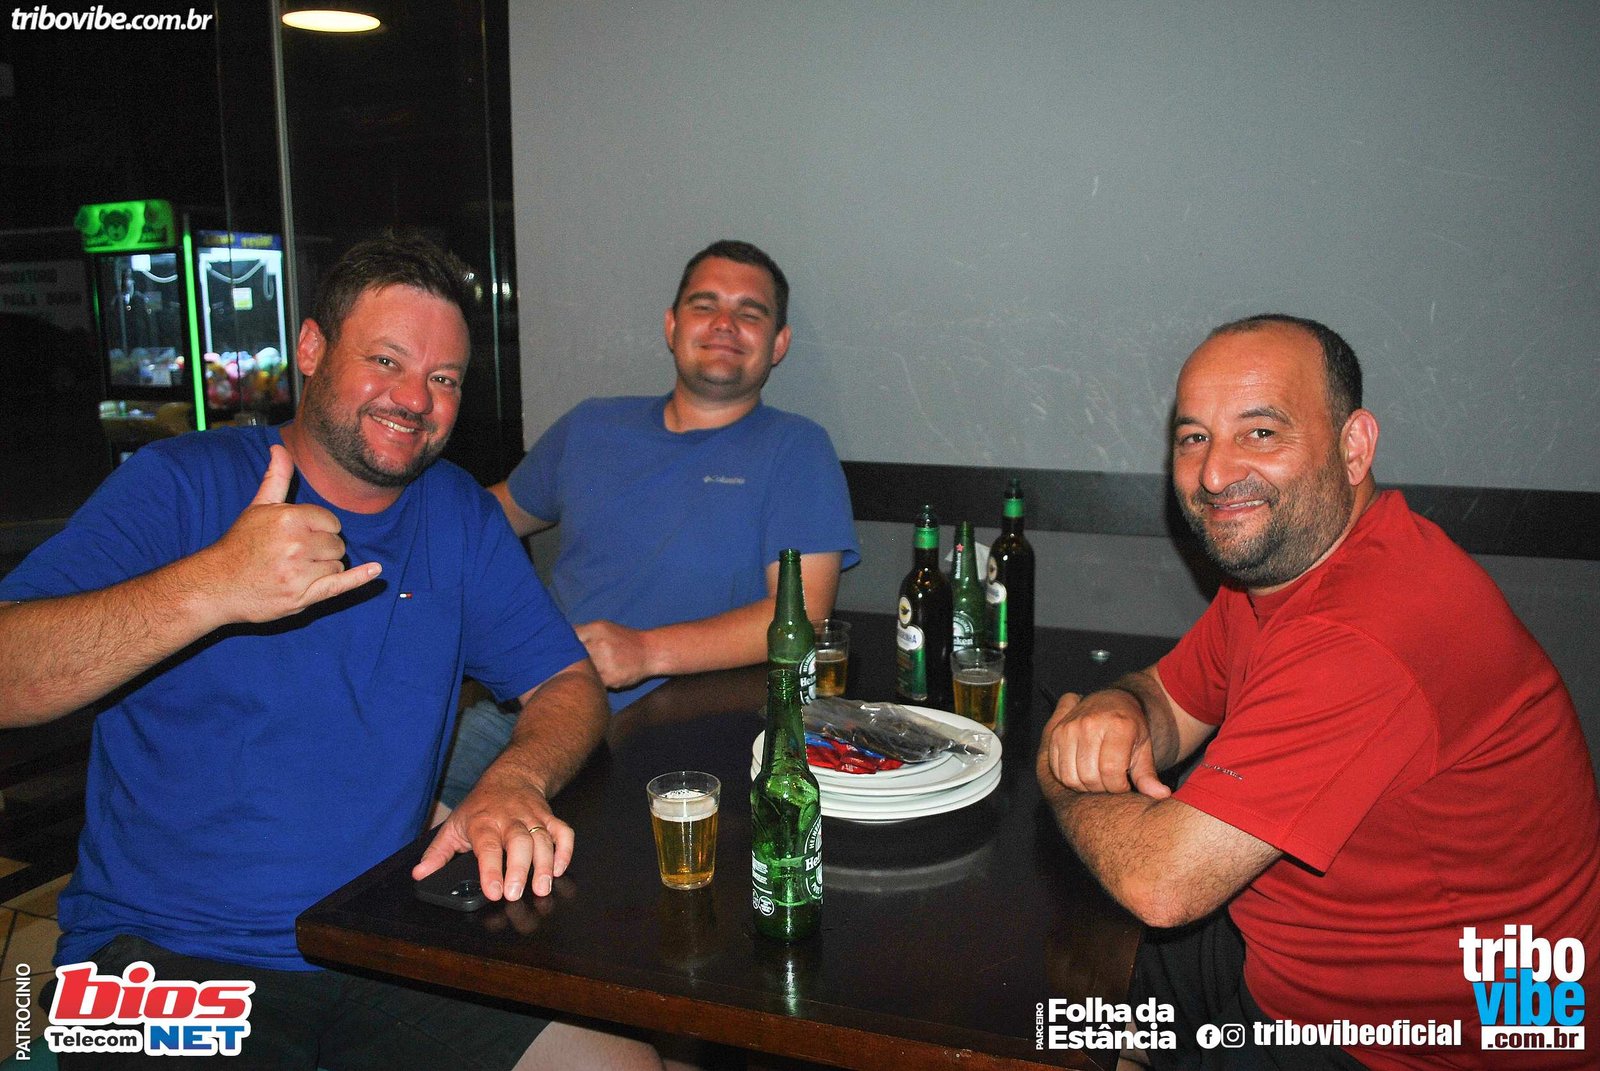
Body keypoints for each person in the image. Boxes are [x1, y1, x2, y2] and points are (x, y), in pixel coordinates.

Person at [0, 233, 676, 1069]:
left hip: (376, 937)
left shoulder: (459, 514)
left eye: (444, 378)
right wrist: (212, 585)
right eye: (387, 361)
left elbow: (567, 680)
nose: (415, 398)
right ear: (313, 349)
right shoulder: (182, 480)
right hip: (163, 958)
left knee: (621, 1062)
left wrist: (514, 779)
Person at [1036, 314, 1600, 1071]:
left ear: (1354, 446)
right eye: (1194, 437)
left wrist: (1057, 774)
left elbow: (1162, 884)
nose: (1214, 473)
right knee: (1065, 1016)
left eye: (1261, 432)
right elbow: (1173, 699)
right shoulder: (1285, 570)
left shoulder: (1367, 630)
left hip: (1421, 1041)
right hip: (1298, 947)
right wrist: (1125, 705)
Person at [439, 239, 858, 807]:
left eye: (750, 312)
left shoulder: (796, 449)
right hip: (526, 703)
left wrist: (644, 652)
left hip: (670, 729)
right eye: (704, 305)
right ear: (672, 326)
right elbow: (486, 520)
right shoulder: (592, 425)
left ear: (778, 343)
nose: (724, 324)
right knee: (391, 805)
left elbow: (801, 615)